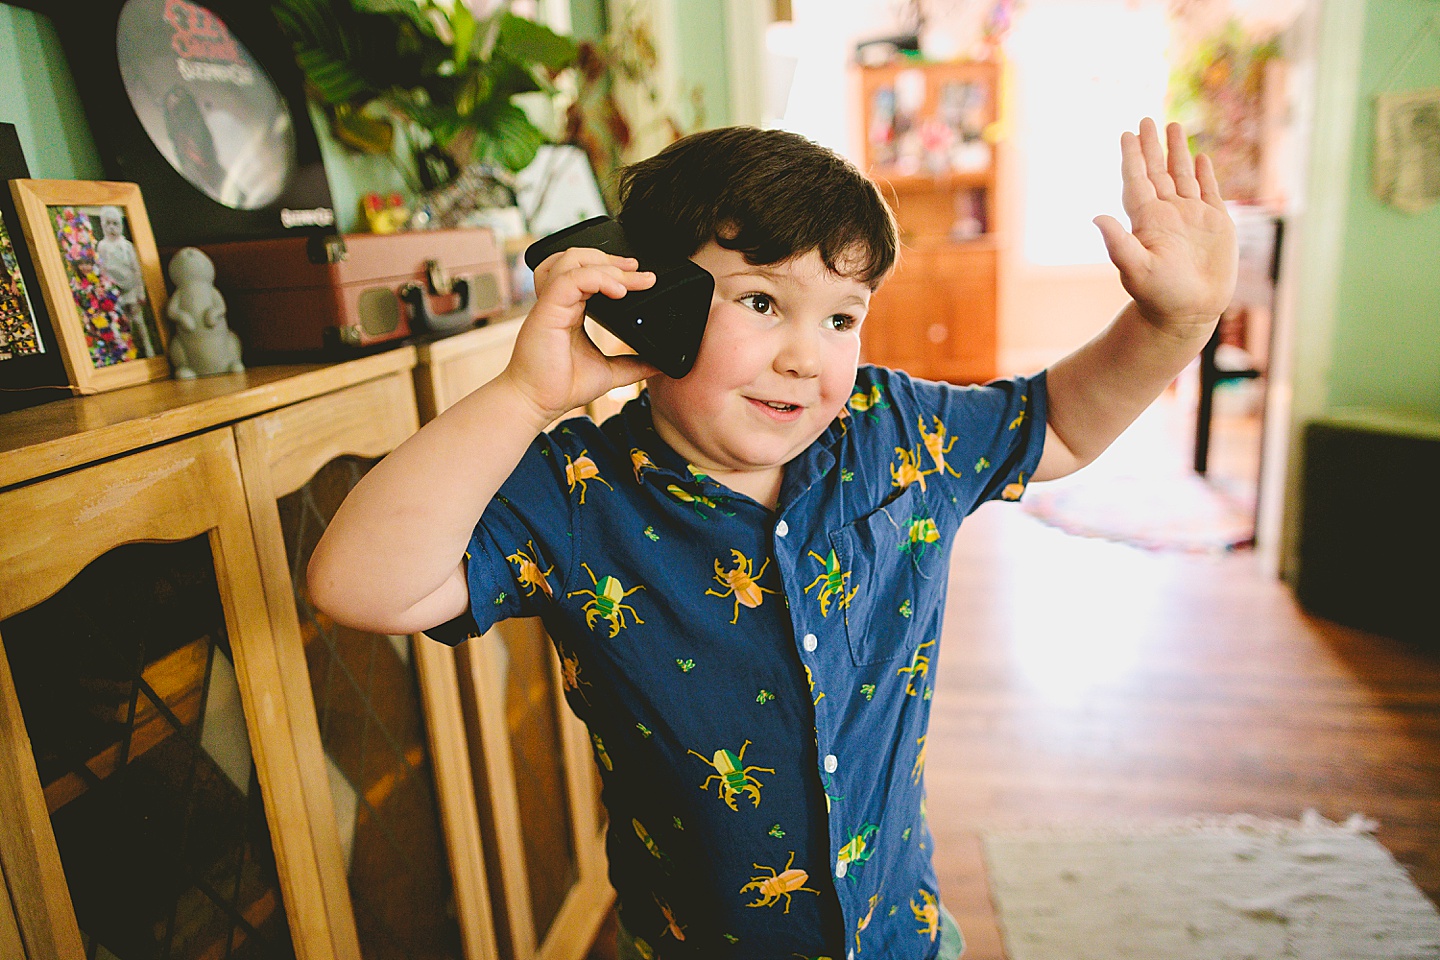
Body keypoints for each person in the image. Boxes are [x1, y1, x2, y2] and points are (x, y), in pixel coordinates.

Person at [308, 119, 1236, 959]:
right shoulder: (574, 493)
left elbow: (1059, 428)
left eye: (841, 317)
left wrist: (1174, 321)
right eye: (761, 302)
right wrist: (523, 396)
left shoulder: (896, 432)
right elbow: (363, 586)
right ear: (648, 300)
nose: (806, 353)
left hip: (899, 936)